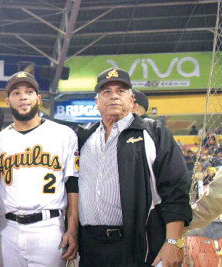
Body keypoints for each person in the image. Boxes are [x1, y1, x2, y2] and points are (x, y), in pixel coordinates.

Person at [76, 68, 192, 267]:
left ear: (131, 100)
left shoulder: (154, 133)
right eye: (106, 92)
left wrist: (174, 242)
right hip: (90, 246)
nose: (113, 96)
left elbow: (176, 190)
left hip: (138, 244)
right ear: (97, 102)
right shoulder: (83, 138)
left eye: (120, 91)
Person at [0, 71, 79, 267]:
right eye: (16, 93)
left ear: (38, 99)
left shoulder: (63, 134)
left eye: (29, 91)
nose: (23, 96)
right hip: (7, 228)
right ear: (8, 101)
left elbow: (73, 185)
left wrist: (72, 228)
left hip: (49, 228)